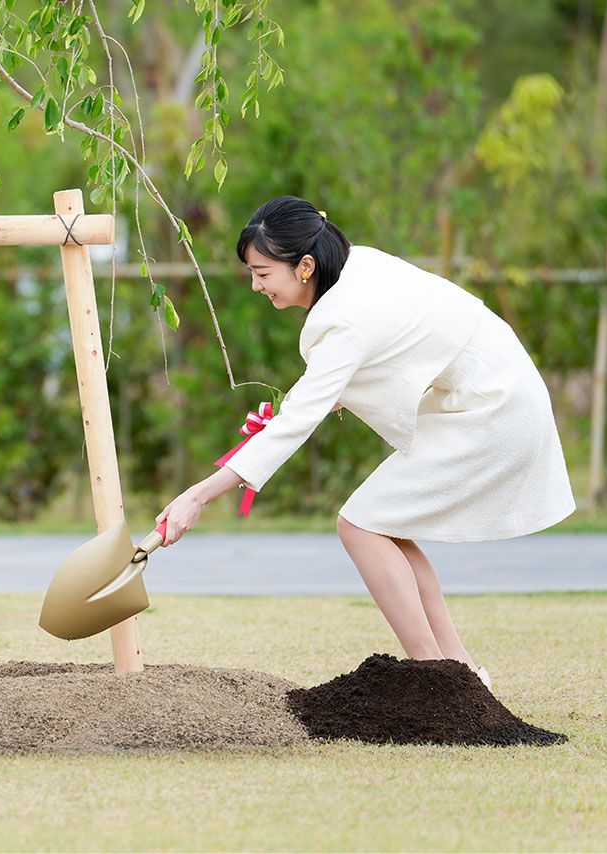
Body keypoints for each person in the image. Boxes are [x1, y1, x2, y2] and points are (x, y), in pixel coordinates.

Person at [157, 195, 575, 687]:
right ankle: (461, 674)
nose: (256, 285)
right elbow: (369, 365)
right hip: (497, 393)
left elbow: (306, 413)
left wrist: (197, 496)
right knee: (384, 525)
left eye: (263, 272)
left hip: (492, 408)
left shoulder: (341, 319)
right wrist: (304, 404)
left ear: (306, 266)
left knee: (358, 525)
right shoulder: (360, 268)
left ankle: (435, 681)